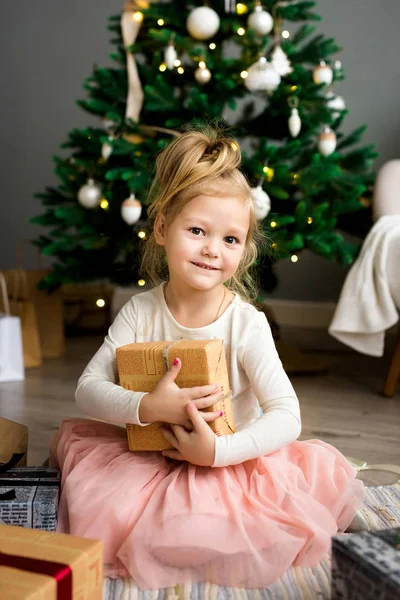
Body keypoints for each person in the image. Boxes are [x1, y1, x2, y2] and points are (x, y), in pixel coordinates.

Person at [50, 125, 365, 590]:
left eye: (230, 239)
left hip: (228, 459)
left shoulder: (246, 324)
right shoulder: (139, 310)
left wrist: (218, 452)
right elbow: (87, 391)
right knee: (106, 508)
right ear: (161, 228)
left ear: (245, 248)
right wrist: (147, 408)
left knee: (231, 528)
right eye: (196, 230)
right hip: (149, 457)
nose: (212, 250)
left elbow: (287, 416)